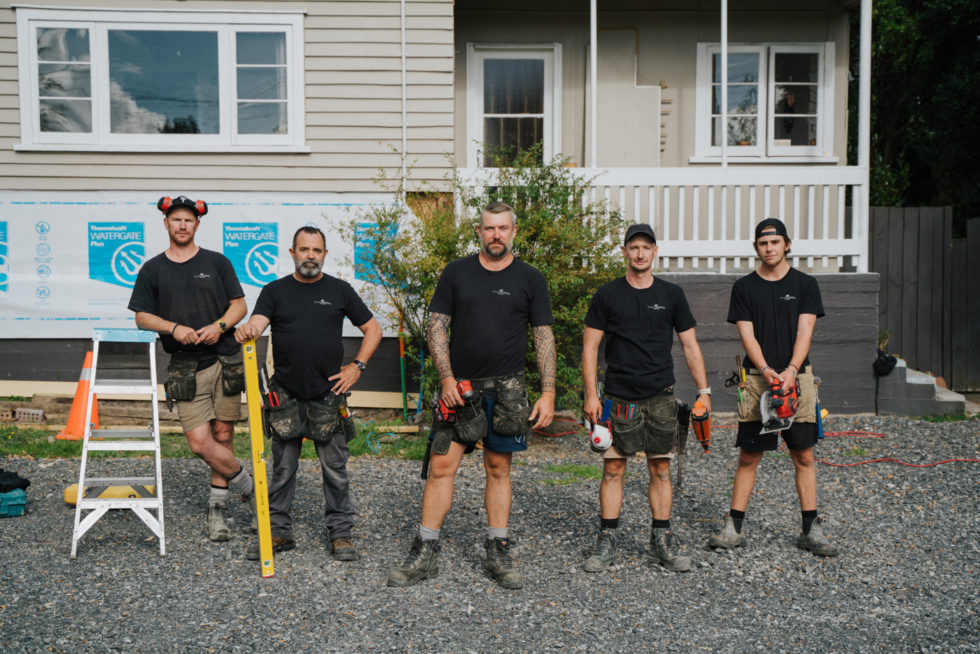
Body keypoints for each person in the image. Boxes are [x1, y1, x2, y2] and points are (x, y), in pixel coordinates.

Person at [386, 201, 557, 590]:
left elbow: (543, 336)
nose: (496, 234)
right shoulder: (456, 273)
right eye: (488, 228)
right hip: (460, 388)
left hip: (509, 390)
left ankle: (498, 550)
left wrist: (548, 393)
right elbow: (437, 329)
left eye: (503, 228)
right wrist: (446, 379)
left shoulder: (531, 278)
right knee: (441, 467)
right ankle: (425, 551)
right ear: (478, 232)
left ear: (514, 231)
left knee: (499, 468)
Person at [234, 226, 381, 561]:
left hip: (328, 395)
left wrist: (357, 366)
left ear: (325, 254)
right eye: (304, 249)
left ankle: (341, 534)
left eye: (316, 250)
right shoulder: (274, 291)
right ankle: (278, 532)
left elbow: (373, 329)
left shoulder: (340, 290)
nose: (310, 256)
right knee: (283, 469)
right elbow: (258, 322)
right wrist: (250, 329)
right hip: (285, 395)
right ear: (292, 253)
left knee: (335, 469)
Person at [581, 223, 711, 573]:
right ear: (624, 251)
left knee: (660, 469)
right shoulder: (607, 295)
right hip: (617, 399)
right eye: (633, 247)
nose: (640, 253)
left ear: (656, 252)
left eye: (646, 247)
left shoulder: (672, 295)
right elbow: (590, 346)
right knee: (612, 469)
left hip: (660, 399)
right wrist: (591, 395)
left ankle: (662, 541)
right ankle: (606, 539)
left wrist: (704, 392)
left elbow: (689, 344)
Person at [708, 217, 837, 557]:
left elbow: (805, 331)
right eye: (763, 244)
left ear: (787, 245)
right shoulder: (744, 288)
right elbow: (746, 334)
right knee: (749, 456)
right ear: (757, 248)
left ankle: (811, 529)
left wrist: (792, 371)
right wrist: (766, 370)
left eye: (775, 242)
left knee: (804, 455)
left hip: (800, 380)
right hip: (756, 382)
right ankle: (734, 527)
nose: (769, 248)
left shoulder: (806, 285)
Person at [129, 195, 253, 542]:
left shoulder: (217, 262)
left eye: (188, 220)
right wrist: (172, 327)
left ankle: (217, 510)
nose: (182, 225)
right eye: (176, 220)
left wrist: (220, 326)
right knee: (200, 443)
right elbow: (141, 316)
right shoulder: (152, 268)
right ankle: (252, 487)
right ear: (165, 224)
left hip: (225, 359)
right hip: (185, 366)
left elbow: (239, 305)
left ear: (197, 225)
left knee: (224, 436)